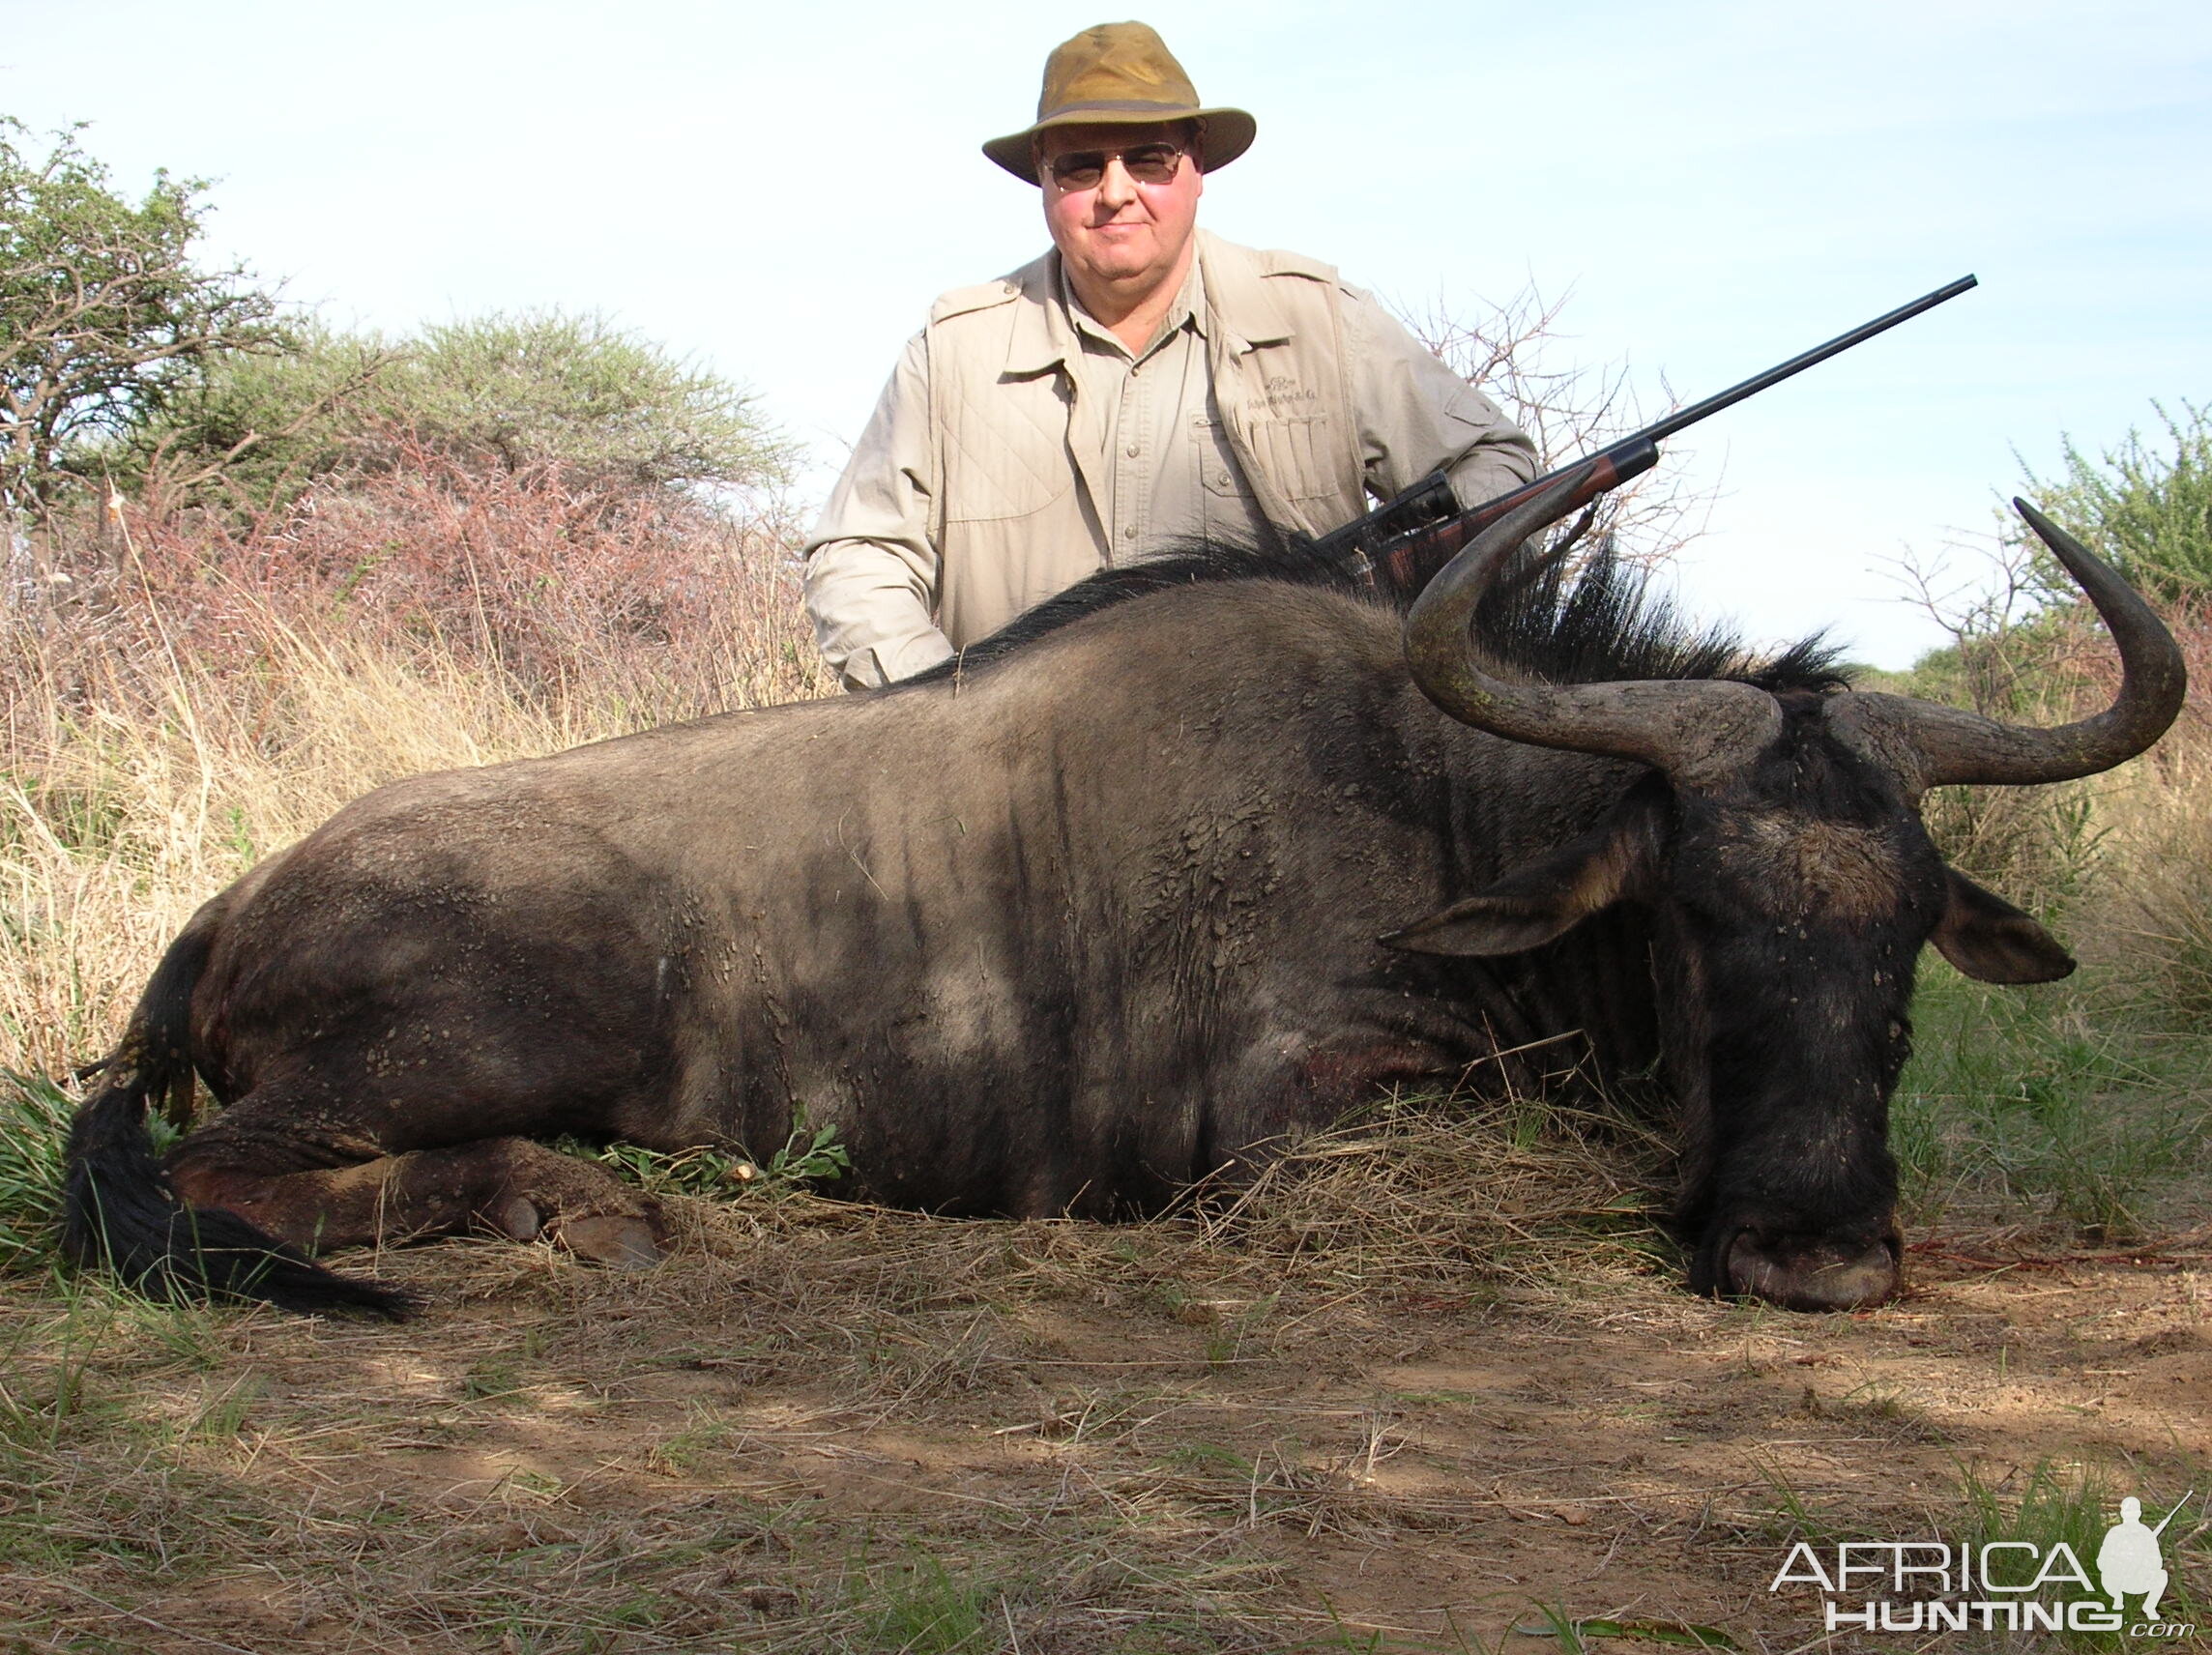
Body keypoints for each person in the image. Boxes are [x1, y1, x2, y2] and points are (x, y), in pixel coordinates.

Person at [803, 21, 1538, 689]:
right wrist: (948, 710)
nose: (1115, 193)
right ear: (1043, 179)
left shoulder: (1317, 320)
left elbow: (1499, 470)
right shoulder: (952, 351)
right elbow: (857, 559)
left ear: (1196, 166)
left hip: (1295, 769)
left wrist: (1391, 593)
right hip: (1023, 795)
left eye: (1148, 159)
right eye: (1080, 167)